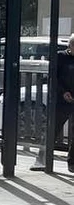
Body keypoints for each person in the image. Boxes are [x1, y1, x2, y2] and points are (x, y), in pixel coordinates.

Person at [31, 35, 74, 172]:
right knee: (52, 129)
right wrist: (63, 92)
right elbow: (52, 77)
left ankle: (72, 163)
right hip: (62, 99)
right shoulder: (60, 57)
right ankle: (41, 160)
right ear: (70, 46)